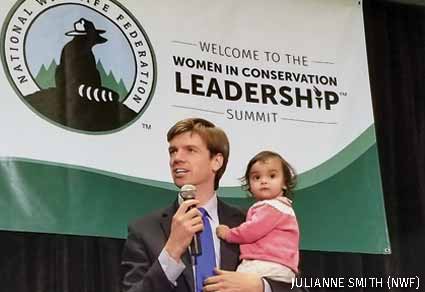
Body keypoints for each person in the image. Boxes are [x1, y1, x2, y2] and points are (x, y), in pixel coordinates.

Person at [121, 118, 299, 292]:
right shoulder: (144, 230)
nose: (177, 158)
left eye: (190, 150)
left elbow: (297, 287)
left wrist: (261, 287)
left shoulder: (251, 222)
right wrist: (172, 250)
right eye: (173, 151)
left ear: (216, 161)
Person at [216, 151, 299, 283]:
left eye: (272, 176)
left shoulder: (272, 208)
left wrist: (229, 234)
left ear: (284, 183)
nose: (264, 181)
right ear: (249, 186)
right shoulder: (283, 207)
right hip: (278, 267)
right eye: (257, 177)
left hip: (266, 264)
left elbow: (251, 231)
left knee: (229, 284)